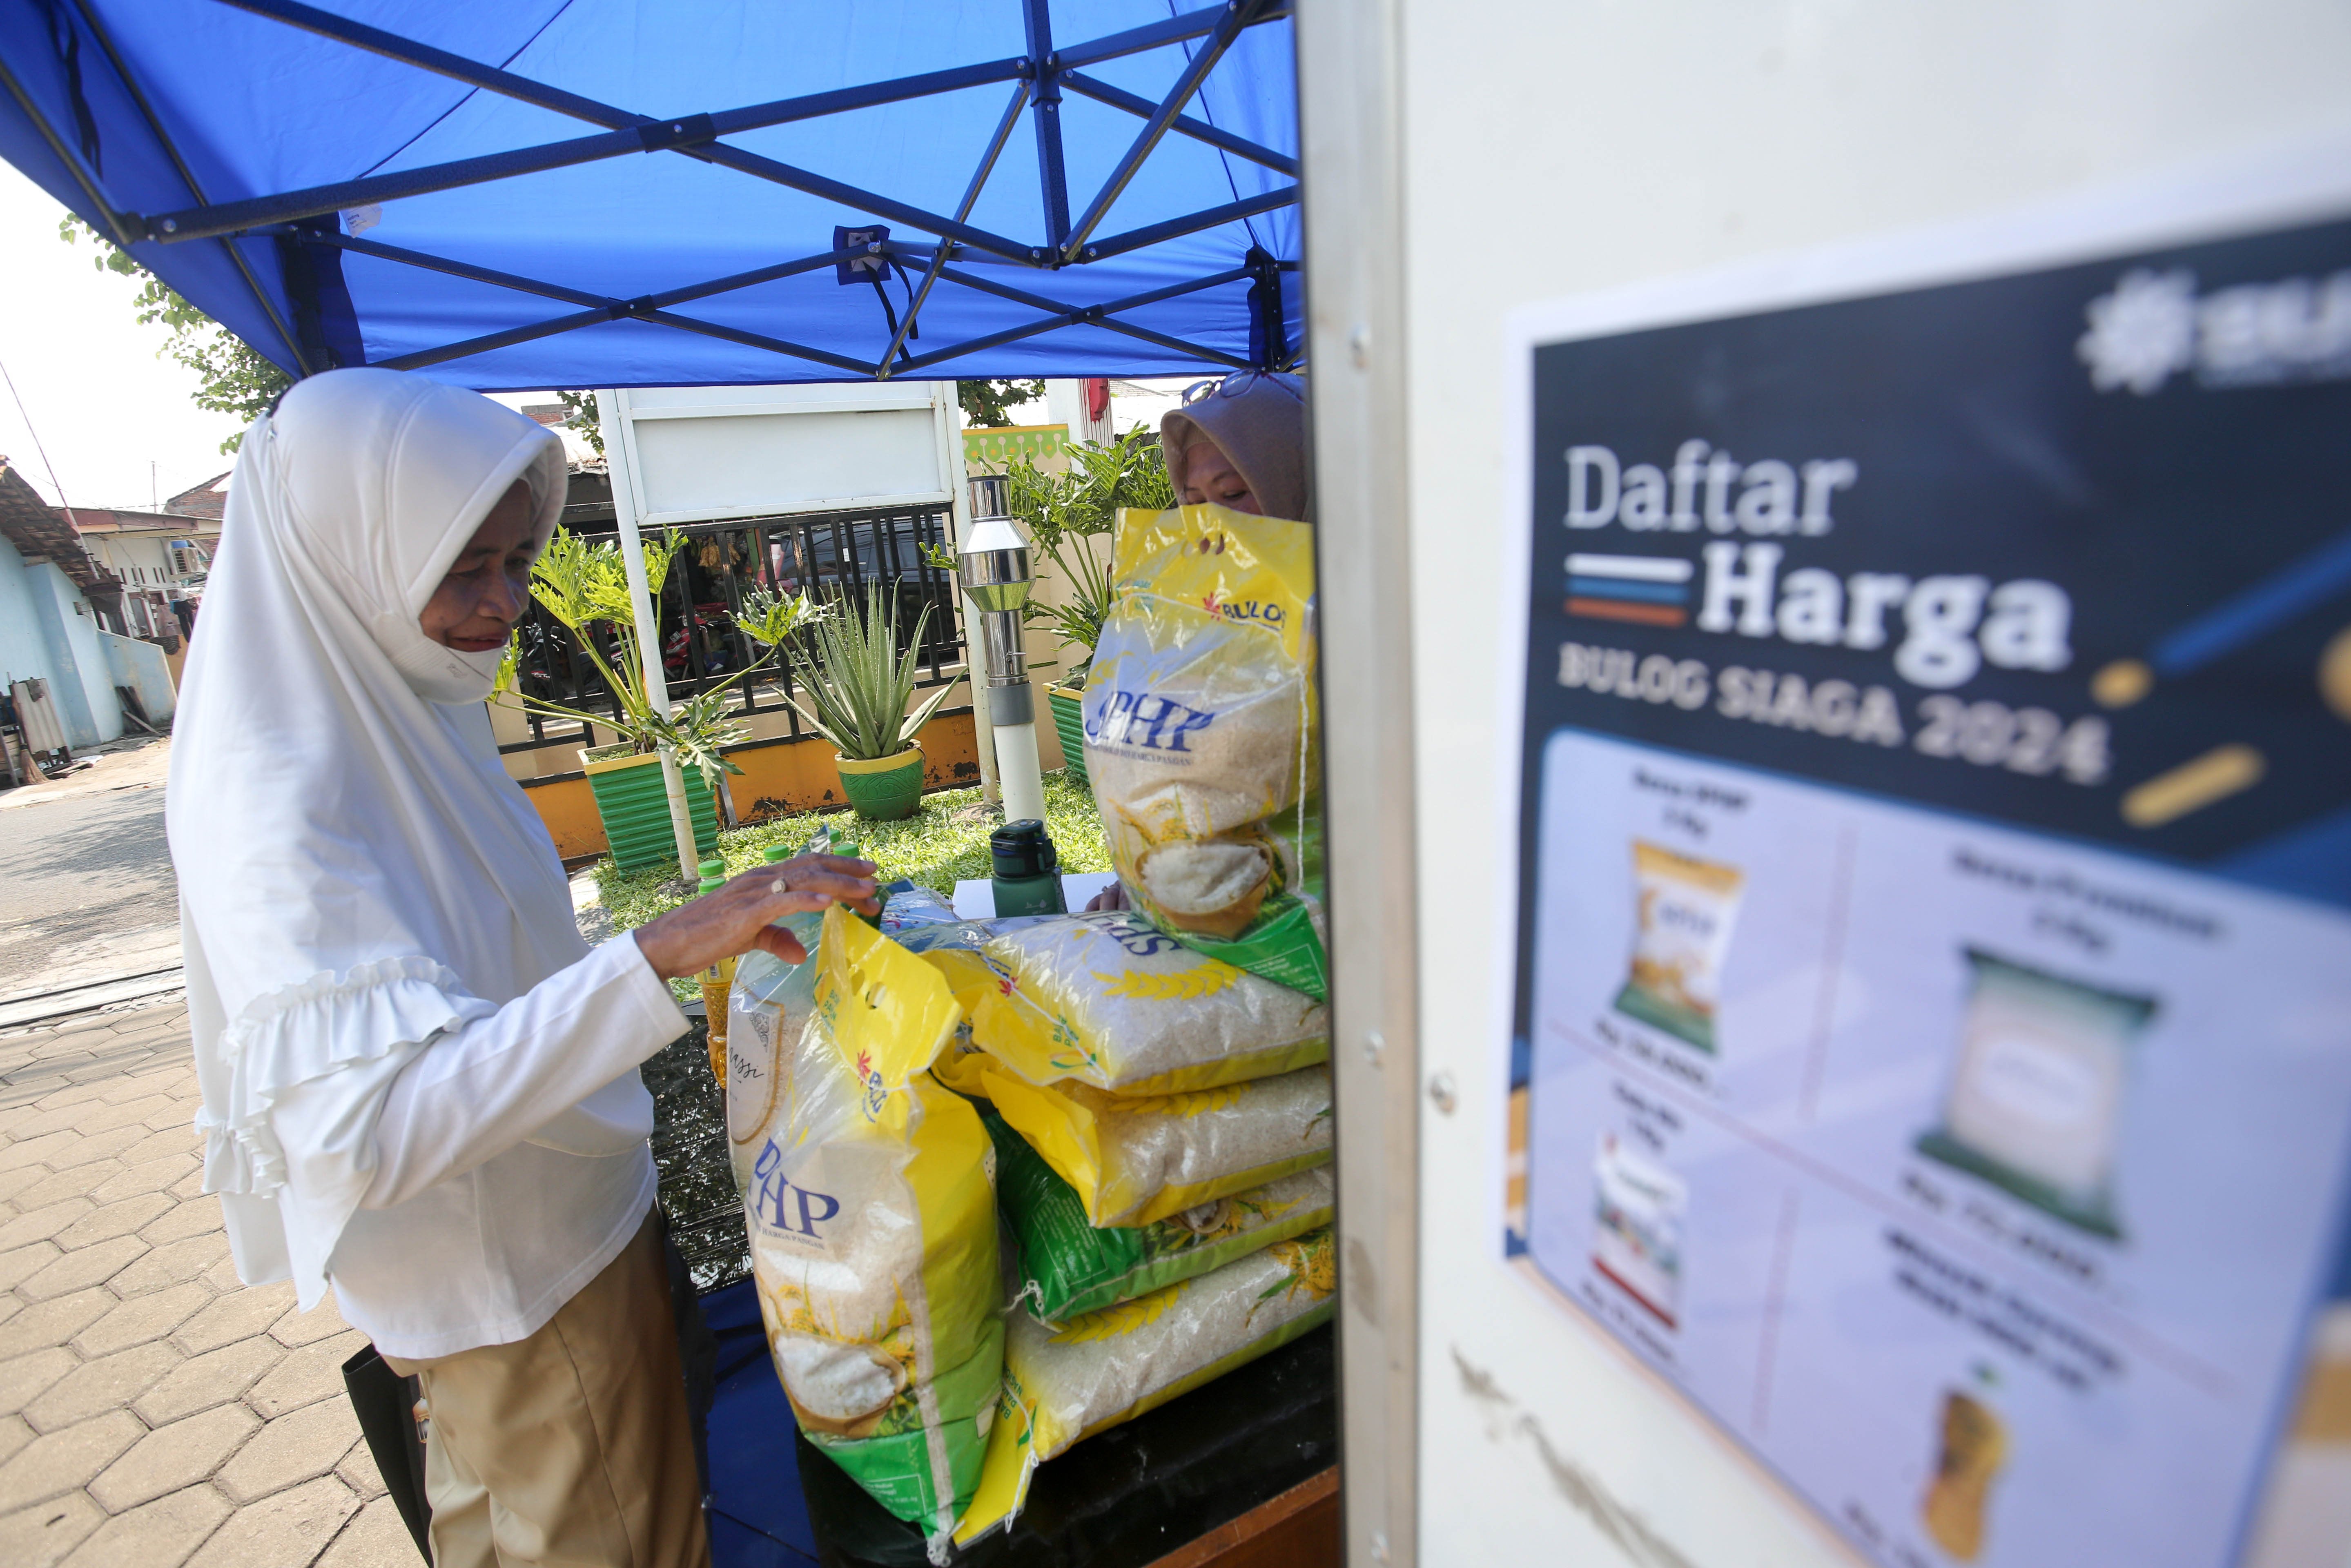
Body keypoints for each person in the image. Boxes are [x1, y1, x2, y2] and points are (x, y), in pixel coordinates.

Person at [168, 368, 876, 1568]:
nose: (504, 605)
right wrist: (651, 959)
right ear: (353, 553)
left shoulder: (388, 705)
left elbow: (478, 979)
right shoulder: (278, 795)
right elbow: (373, 1129)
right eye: (463, 569)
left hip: (562, 1243)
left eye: (514, 561)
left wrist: (665, 958)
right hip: (525, 1299)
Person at [1086, 370, 1309, 914]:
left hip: (1311, 929)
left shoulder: (1369, 610)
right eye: (1192, 501)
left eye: (1234, 493)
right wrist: (1142, 882)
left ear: (1299, 476)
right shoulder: (1185, 618)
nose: (1212, 522)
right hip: (1196, 916)